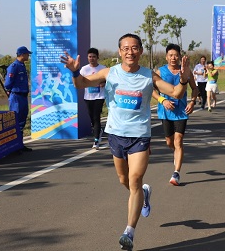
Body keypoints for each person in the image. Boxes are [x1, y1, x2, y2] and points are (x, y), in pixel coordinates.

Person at [60, 33, 192, 251]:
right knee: (125, 180)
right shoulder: (109, 73)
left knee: (135, 179)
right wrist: (75, 71)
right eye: (125, 48)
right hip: (115, 135)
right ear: (120, 51)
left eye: (134, 48)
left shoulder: (149, 76)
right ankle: (144, 194)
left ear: (140, 51)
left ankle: (129, 232)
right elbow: (81, 83)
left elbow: (176, 93)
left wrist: (184, 78)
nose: (130, 52)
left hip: (140, 135)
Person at [151, 44, 198, 187]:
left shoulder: (186, 71)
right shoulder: (160, 71)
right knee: (169, 142)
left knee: (178, 141)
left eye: (176, 55)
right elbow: (152, 90)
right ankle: (177, 154)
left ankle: (176, 173)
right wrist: (162, 100)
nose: (173, 58)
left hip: (181, 112)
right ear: (166, 57)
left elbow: (194, 89)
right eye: (170, 55)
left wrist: (193, 102)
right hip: (165, 111)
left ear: (179, 56)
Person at [5, 46, 33, 152]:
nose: (28, 56)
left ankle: (20, 145)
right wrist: (10, 90)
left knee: (22, 121)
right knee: (15, 120)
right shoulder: (14, 66)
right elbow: (8, 83)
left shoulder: (22, 66)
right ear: (22, 54)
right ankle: (14, 146)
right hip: (16, 97)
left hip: (23, 97)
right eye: (27, 54)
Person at [80, 48, 106, 149]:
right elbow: (80, 81)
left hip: (100, 96)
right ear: (87, 57)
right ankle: (98, 131)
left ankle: (96, 140)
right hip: (88, 97)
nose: (92, 59)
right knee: (92, 118)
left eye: (94, 57)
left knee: (96, 117)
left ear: (97, 57)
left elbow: (109, 80)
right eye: (90, 57)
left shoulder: (103, 68)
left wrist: (104, 83)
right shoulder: (84, 69)